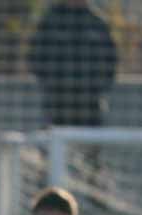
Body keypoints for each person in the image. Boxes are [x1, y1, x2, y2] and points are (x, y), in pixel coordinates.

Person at [27, 0, 118, 129]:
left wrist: (97, 88)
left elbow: (110, 61)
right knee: (54, 144)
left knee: (88, 145)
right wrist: (52, 84)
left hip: (90, 106)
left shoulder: (97, 23)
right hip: (56, 104)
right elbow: (35, 56)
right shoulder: (50, 21)